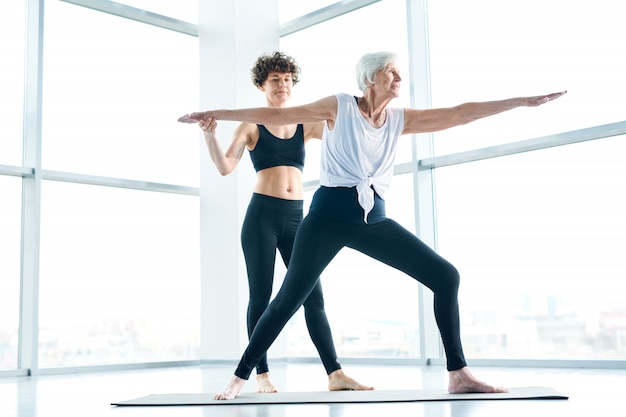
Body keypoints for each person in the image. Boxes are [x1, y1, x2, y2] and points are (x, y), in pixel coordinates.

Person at [179, 51, 566, 400]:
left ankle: (458, 372)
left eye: (400, 72)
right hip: (324, 219)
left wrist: (519, 102)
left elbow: (458, 113)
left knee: (446, 276)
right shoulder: (337, 106)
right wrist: (215, 116)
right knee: (285, 300)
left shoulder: (398, 119)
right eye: (391, 72)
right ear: (369, 79)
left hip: (372, 219)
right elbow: (278, 117)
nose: (399, 78)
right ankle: (241, 377)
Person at [190, 52, 371, 394]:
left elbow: (341, 128)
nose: (283, 85)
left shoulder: (306, 123)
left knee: (313, 297)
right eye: (275, 79)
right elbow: (226, 166)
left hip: (298, 219)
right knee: (261, 297)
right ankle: (261, 374)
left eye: (288, 79)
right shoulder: (251, 125)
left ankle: (335, 374)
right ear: (262, 85)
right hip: (262, 217)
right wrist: (209, 135)